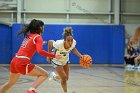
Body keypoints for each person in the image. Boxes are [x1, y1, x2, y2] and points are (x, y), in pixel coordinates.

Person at [0, 19, 62, 93]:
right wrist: (54, 56)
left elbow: (28, 48)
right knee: (45, 74)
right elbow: (40, 51)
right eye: (43, 27)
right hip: (22, 62)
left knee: (10, 83)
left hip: (14, 61)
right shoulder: (38, 37)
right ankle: (31, 90)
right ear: (40, 28)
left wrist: (39, 44)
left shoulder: (28, 36)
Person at [47, 27, 82, 93]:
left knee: (66, 78)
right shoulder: (58, 44)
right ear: (64, 40)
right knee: (63, 78)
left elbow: (73, 48)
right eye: (68, 40)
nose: (70, 42)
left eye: (71, 40)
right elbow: (50, 42)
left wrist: (80, 56)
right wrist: (48, 55)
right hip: (56, 60)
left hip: (65, 60)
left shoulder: (73, 42)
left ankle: (54, 76)